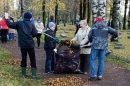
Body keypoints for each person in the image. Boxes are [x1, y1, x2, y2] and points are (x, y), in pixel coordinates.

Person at [5, 12, 40, 79]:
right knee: (32, 59)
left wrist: (6, 18)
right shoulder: (32, 24)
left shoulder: (19, 23)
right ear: (30, 17)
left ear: (24, 17)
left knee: (23, 59)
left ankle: (23, 75)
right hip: (30, 45)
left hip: (22, 45)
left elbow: (9, 24)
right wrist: (33, 33)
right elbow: (35, 34)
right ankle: (34, 75)